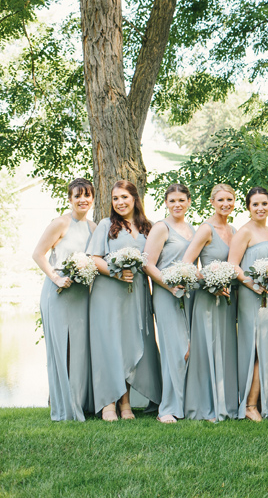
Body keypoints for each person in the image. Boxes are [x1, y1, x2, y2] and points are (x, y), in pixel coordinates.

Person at [88, 180, 162, 421]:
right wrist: (115, 272)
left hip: (137, 294)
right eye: (115, 198)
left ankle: (126, 403)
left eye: (124, 197)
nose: (120, 202)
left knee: (130, 343)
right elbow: (94, 258)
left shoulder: (147, 228)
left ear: (134, 199)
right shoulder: (106, 225)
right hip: (109, 292)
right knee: (109, 345)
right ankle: (108, 403)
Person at [32, 178, 97, 421]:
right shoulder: (60, 223)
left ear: (92, 198)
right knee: (63, 348)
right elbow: (38, 254)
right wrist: (56, 278)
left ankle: (80, 403)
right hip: (58, 292)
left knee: (79, 350)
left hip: (81, 295)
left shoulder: (93, 227)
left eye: (87, 195)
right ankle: (64, 409)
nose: (83, 200)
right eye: (78, 195)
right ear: (70, 199)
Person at [228, 187, 268, 421]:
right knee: (256, 348)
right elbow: (233, 265)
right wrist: (252, 284)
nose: (260, 208)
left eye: (264, 204)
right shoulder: (244, 232)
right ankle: (250, 405)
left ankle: (266, 400)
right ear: (248, 207)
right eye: (255, 204)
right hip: (252, 296)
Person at [183, 183, 239, 422]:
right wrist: (210, 284)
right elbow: (187, 263)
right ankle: (204, 405)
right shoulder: (206, 230)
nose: (225, 204)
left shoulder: (234, 230)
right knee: (206, 347)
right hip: (208, 297)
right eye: (221, 200)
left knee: (225, 347)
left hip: (229, 298)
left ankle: (225, 403)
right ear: (212, 202)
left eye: (230, 199)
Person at [143, 184, 195, 423]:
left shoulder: (192, 230)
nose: (177, 204)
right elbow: (148, 264)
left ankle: (188, 403)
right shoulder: (160, 228)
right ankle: (167, 408)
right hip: (166, 294)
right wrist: (169, 285)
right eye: (172, 200)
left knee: (188, 350)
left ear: (188, 202)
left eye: (181, 200)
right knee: (173, 350)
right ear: (166, 203)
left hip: (189, 294)